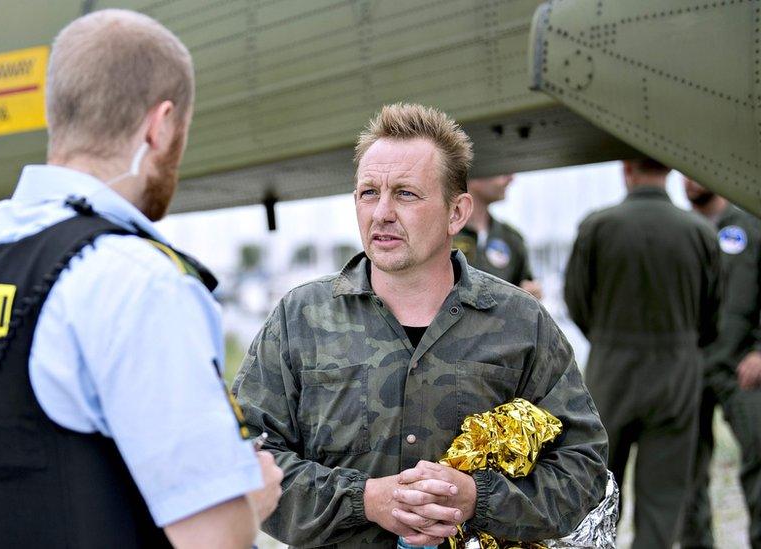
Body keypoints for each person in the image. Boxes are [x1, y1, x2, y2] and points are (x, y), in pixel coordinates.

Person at [0, 10, 281, 549]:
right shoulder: (140, 282)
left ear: (58, 113)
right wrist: (250, 500)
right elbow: (212, 538)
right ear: (160, 125)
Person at [233, 103, 609, 549]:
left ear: (457, 212)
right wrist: (365, 500)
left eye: (406, 194)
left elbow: (583, 469)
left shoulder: (521, 323)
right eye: (368, 192)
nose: (382, 213)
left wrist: (477, 499)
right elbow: (244, 460)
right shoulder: (300, 320)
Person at [564, 159, 721, 549]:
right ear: (668, 171)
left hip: (612, 369)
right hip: (677, 374)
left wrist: (605, 336)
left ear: (627, 170)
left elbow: (576, 300)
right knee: (663, 500)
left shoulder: (598, 226)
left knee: (597, 493)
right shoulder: (699, 231)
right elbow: (714, 313)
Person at [681, 177, 761, 549]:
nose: (689, 179)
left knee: (758, 460)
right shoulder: (679, 232)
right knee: (687, 477)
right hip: (688, 371)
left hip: (741, 368)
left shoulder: (749, 228)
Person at [453, 174, 542, 298]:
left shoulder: (512, 238)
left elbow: (525, 286)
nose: (511, 178)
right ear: (476, 173)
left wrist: (530, 293)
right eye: (502, 171)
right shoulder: (442, 234)